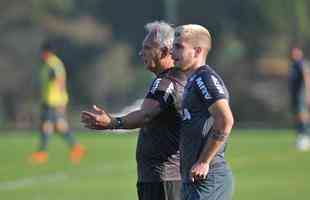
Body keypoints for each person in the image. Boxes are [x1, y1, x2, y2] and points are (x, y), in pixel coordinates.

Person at [81, 21, 187, 200]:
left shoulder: (166, 82)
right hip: (161, 179)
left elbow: (145, 114)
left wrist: (113, 122)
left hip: (163, 181)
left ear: (164, 51)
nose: (141, 53)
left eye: (147, 48)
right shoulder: (170, 79)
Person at [171, 24, 234, 200]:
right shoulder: (193, 80)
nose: (172, 52)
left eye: (179, 47)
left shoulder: (205, 78)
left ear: (197, 51)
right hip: (192, 179)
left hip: (208, 178)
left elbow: (225, 120)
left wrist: (204, 161)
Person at [30, 40, 86, 164]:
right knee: (60, 126)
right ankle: (77, 148)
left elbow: (60, 81)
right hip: (50, 100)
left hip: (54, 101)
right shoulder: (48, 63)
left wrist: (61, 102)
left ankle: (41, 153)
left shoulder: (53, 64)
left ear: (47, 52)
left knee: (47, 126)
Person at [289, 47, 310, 151]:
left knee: (303, 115)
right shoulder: (293, 64)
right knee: (298, 115)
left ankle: (305, 137)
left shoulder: (301, 64)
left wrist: (307, 93)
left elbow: (306, 77)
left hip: (301, 94)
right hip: (295, 94)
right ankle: (300, 136)